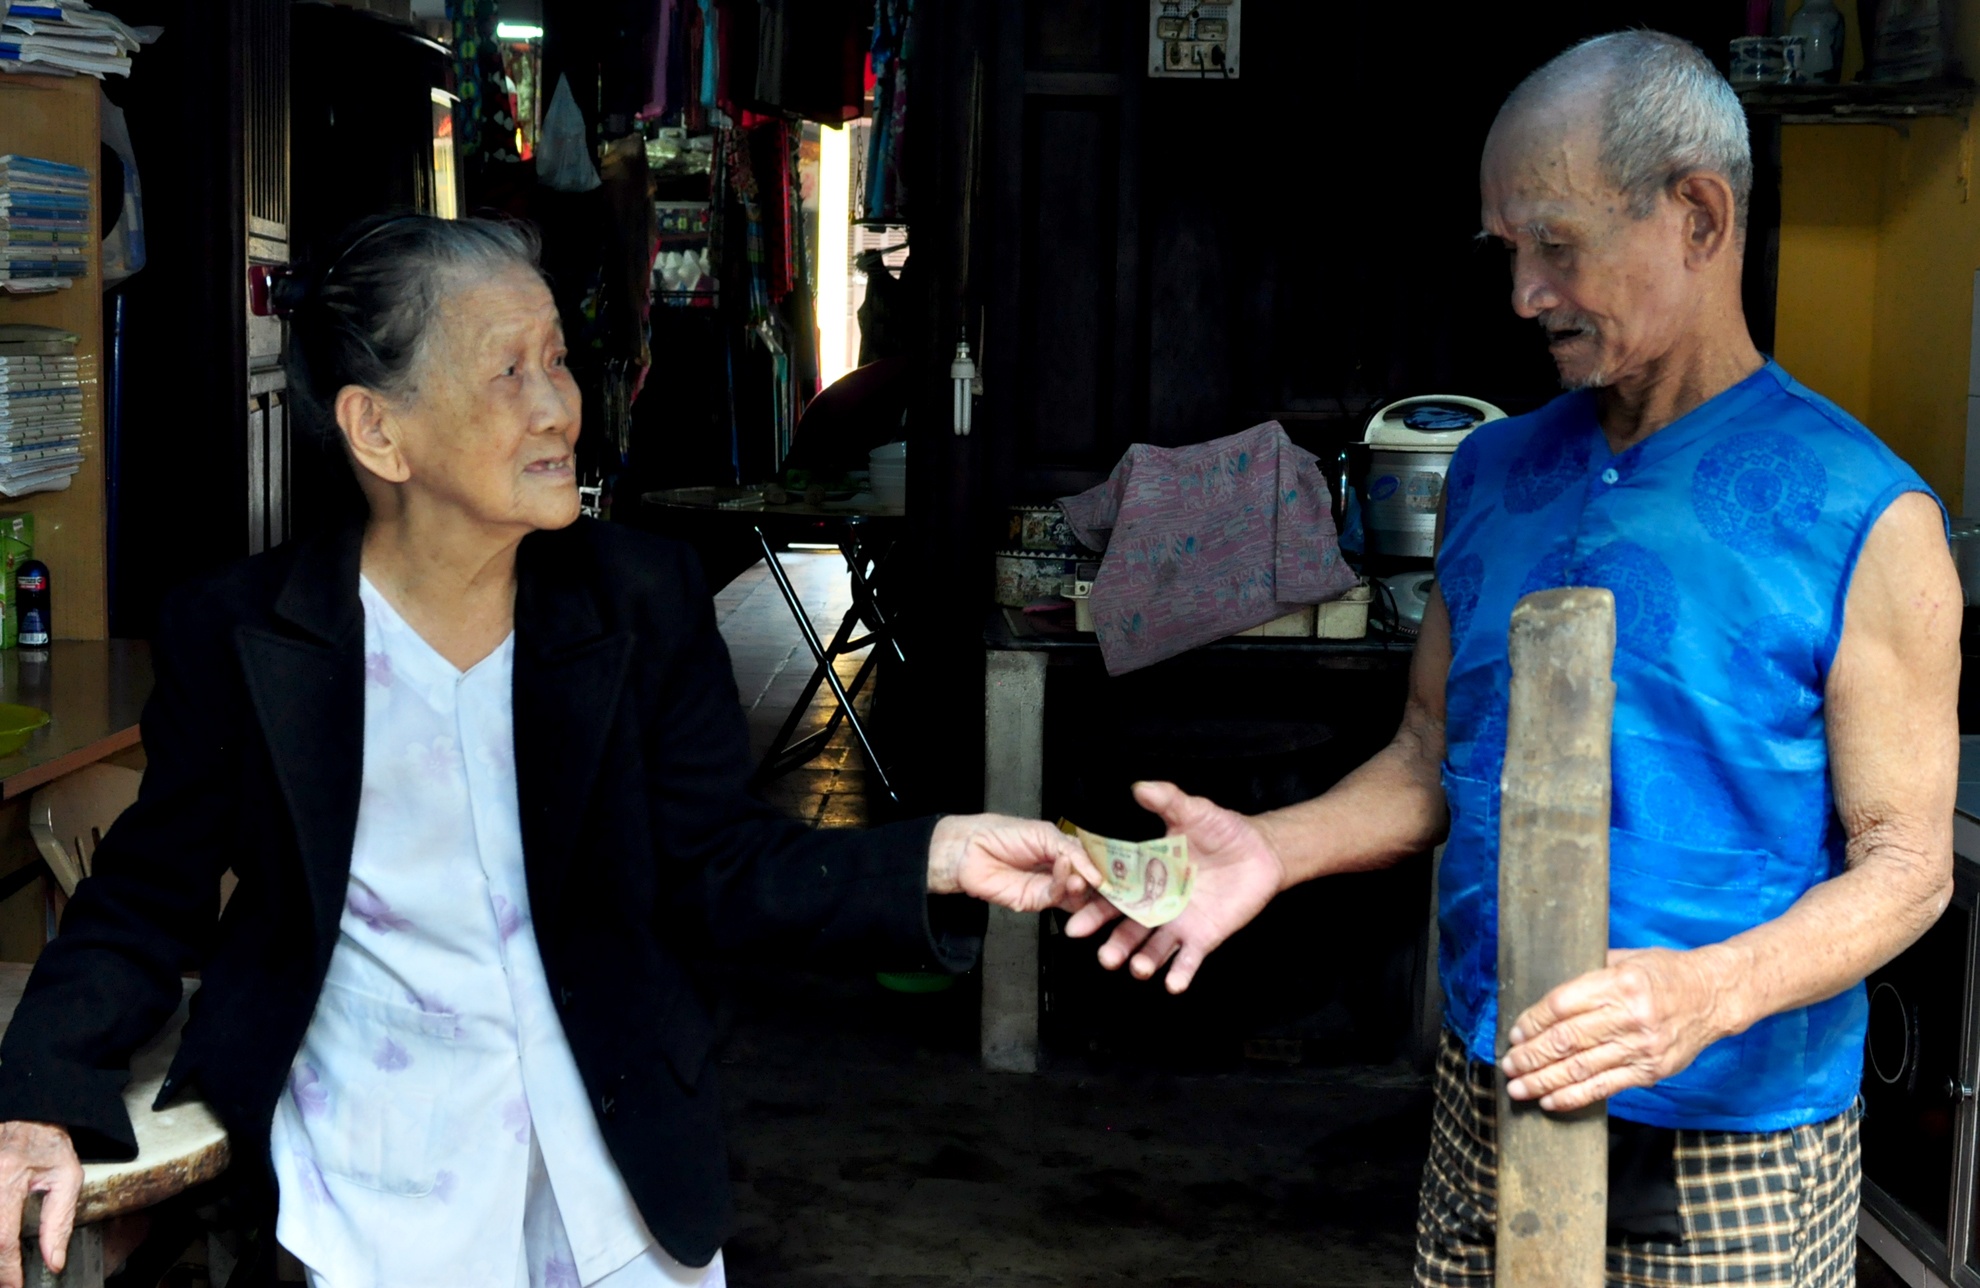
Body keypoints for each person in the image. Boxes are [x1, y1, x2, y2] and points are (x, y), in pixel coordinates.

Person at [0, 214, 1092, 1288]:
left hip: (613, 1153)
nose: (560, 408)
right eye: (507, 373)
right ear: (380, 432)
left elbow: (719, 865)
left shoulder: (640, 601)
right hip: (375, 1169)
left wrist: (934, 856)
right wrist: (38, 1096)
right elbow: (146, 897)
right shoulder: (248, 637)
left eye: (558, 361)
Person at [1069, 31, 1960, 1286]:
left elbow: (1910, 866)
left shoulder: (1864, 515)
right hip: (1489, 1089)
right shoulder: (1493, 472)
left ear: (1698, 215)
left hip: (1733, 1144)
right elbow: (1434, 750)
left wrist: (1708, 993)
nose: (1524, 294)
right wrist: (1274, 848)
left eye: (1557, 244)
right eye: (1509, 252)